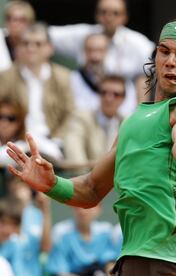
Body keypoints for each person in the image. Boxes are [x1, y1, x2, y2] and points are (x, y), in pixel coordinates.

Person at [6, 17, 176, 275]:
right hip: (133, 260)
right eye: (164, 51)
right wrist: (51, 184)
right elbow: (91, 189)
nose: (170, 61)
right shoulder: (133, 121)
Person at [49, 0, 154, 102]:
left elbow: (144, 77)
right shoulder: (83, 35)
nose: (109, 17)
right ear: (96, 14)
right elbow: (47, 35)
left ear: (125, 17)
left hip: (122, 105)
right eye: (103, 12)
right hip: (86, 103)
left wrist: (140, 113)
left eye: (115, 13)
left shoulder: (139, 44)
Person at [0, 22, 74, 162]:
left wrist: (58, 140)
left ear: (49, 48)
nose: (31, 48)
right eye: (25, 43)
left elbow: (70, 114)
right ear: (18, 48)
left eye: (38, 44)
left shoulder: (62, 77)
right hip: (15, 143)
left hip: (50, 143)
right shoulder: (5, 77)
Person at [64, 75, 126, 167]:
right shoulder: (81, 118)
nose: (108, 98)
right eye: (104, 93)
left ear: (123, 99)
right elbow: (75, 160)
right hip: (84, 178)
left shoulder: (126, 124)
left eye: (116, 94)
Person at [70, 33, 137, 117]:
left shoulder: (121, 79)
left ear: (107, 52)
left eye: (99, 50)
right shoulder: (73, 79)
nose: (94, 56)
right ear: (84, 52)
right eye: (90, 50)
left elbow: (129, 109)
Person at [47, 205, 114, 275]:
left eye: (88, 206)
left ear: (98, 209)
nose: (82, 211)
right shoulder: (60, 232)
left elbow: (110, 261)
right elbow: (60, 272)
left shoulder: (106, 231)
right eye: (78, 206)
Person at [0, 1, 35, 71]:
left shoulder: (35, 44)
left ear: (30, 23)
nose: (15, 24)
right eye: (11, 19)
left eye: (21, 20)